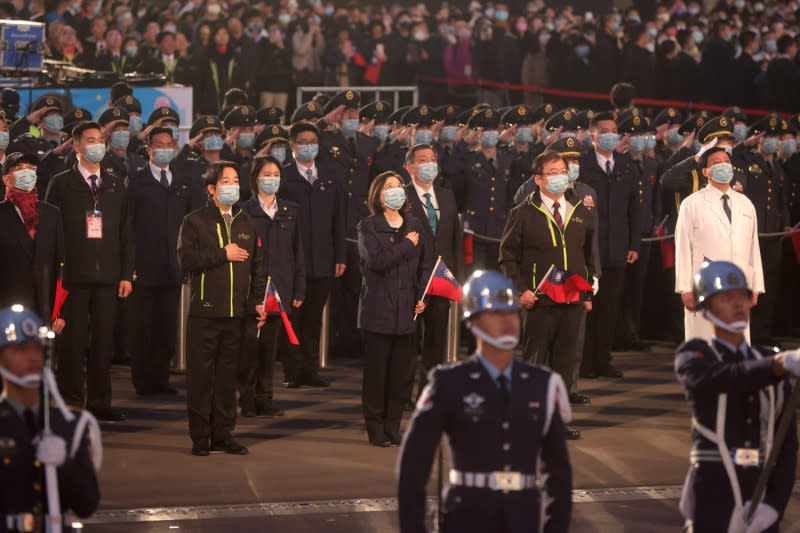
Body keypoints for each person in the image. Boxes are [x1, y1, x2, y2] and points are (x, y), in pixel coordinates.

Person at [397, 270, 572, 533]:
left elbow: (558, 475)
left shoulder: (543, 385)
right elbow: (413, 468)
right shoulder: (449, 383)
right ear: (473, 322)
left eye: (512, 312)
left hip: (523, 517)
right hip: (467, 516)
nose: (509, 320)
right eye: (496, 313)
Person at [675, 261, 799, 532]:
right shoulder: (695, 355)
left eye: (742, 295)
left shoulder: (767, 358)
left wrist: (774, 505)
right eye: (726, 297)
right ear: (707, 311)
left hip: (759, 494)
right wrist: (776, 366)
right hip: (713, 494)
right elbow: (723, 378)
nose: (738, 304)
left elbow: (786, 446)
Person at [500, 150, 595, 439]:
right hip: (538, 302)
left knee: (565, 364)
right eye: (553, 172)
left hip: (572, 300)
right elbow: (507, 256)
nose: (560, 177)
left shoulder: (580, 211)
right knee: (535, 363)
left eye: (563, 171)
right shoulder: (523, 213)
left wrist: (588, 291)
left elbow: (587, 255)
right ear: (539, 179)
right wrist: (521, 290)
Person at [45, 121, 133, 422]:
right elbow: (52, 233)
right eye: (91, 140)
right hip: (72, 277)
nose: (98, 144)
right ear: (77, 145)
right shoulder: (60, 183)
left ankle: (99, 402)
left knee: (103, 343)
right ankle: (70, 402)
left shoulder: (115, 182)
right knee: (72, 343)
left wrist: (125, 273)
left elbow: (125, 232)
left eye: (101, 140)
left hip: (108, 277)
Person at [177, 161, 266, 456]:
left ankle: (224, 434)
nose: (233, 186)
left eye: (236, 180)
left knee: (228, 379)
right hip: (205, 313)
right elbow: (186, 260)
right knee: (201, 379)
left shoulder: (247, 221)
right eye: (226, 181)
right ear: (212, 188)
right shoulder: (194, 220)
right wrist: (222, 254)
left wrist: (255, 303)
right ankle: (200, 438)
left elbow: (258, 267)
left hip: (237, 314)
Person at [0, 305, 100, 531]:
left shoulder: (67, 424)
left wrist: (64, 466)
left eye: (37, 349)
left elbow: (87, 504)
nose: (32, 357)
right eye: (20, 349)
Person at [358, 171, 431, 447]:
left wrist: (423, 295)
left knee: (401, 375)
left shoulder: (415, 224)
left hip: (407, 310)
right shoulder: (368, 226)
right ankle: (375, 428)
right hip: (378, 309)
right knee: (377, 374)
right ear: (378, 195)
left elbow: (425, 264)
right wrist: (405, 244)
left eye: (398, 186)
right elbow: (377, 262)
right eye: (388, 187)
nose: (395, 191)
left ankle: (393, 425)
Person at [127, 126, 198, 396]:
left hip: (173, 266)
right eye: (159, 145)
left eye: (169, 144)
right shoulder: (137, 181)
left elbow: (191, 225)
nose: (165, 149)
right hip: (144, 266)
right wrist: (129, 263)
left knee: (166, 327)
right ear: (149, 149)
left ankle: (160, 379)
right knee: (143, 327)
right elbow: (128, 225)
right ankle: (142, 380)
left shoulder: (183, 180)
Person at [277, 122, 345, 388]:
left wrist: (340, 255)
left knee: (314, 319)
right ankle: (292, 370)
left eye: (312, 141)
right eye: (302, 141)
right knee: (292, 318)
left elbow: (339, 220)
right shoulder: (283, 176)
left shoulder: (330, 175)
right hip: (293, 261)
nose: (308, 146)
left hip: (323, 259)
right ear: (292, 146)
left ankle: (311, 369)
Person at [238, 155, 305, 418]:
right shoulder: (243, 210)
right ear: (256, 178)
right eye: (267, 174)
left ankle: (265, 398)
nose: (272, 179)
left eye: (276, 174)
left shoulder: (290, 211)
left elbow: (299, 252)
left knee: (269, 351)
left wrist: (299, 289)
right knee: (249, 349)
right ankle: (247, 399)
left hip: (280, 290)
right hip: (252, 291)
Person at [675, 146, 764, 342]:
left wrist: (756, 286)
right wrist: (685, 288)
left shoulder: (745, 204)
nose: (724, 166)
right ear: (705, 171)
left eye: (727, 161)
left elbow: (753, 249)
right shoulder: (692, 204)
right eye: (716, 163)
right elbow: (682, 247)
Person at [578, 112, 641, 379]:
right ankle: (585, 362)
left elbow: (634, 209)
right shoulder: (582, 164)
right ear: (592, 135)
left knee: (610, 309)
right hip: (588, 249)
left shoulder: (627, 165)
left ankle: (603, 359)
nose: (610, 135)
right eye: (604, 130)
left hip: (617, 247)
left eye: (614, 130)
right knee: (587, 307)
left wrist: (634, 243)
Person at [404, 143, 463, 399]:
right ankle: (403, 394)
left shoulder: (447, 195)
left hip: (441, 278)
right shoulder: (401, 196)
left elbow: (455, 239)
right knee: (408, 340)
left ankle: (428, 392)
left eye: (433, 159)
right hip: (410, 280)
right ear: (410, 167)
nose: (430, 164)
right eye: (423, 160)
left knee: (436, 339)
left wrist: (457, 276)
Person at [0, 153, 65, 331]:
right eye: (19, 169)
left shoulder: (51, 213)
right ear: (6, 179)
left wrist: (59, 310)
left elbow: (60, 263)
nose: (27, 173)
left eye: (30, 169)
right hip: (7, 305)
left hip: (44, 304)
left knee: (41, 357)